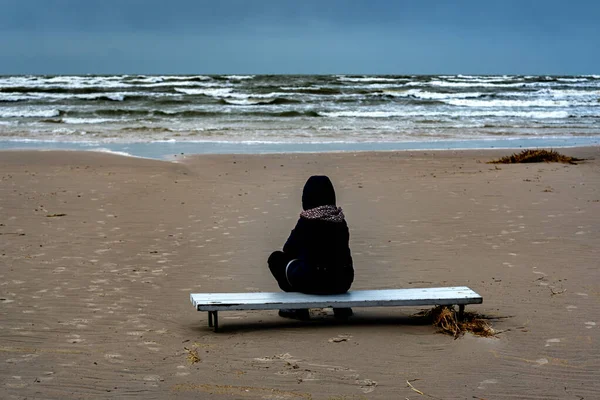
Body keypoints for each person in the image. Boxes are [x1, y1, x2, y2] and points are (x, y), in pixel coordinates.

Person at [268, 175, 354, 320]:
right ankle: (341, 306)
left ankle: (298, 308)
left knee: (276, 259)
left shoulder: (307, 220)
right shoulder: (340, 219)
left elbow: (288, 249)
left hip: (313, 282)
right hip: (342, 281)